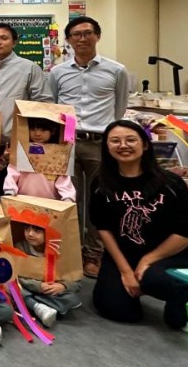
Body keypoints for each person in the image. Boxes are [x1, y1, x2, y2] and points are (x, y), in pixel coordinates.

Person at [90, 120, 188, 330]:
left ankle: (181, 298)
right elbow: (102, 227)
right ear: (106, 147)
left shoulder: (170, 183)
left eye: (131, 140)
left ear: (145, 144)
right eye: (115, 141)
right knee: (118, 310)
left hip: (168, 256)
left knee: (156, 282)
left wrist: (148, 260)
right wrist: (125, 270)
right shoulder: (101, 183)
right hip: (123, 255)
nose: (123, 145)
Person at [49, 16, 129, 279]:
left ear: (97, 36)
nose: (82, 38)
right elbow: (53, 106)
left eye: (87, 33)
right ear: (68, 40)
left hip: (99, 143)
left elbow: (119, 109)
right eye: (76, 34)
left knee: (99, 199)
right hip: (67, 143)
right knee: (66, 198)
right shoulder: (58, 72)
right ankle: (70, 253)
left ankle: (94, 253)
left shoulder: (116, 70)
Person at [14, 223, 82, 328]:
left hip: (50, 289)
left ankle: (34, 303)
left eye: (37, 231)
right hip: (28, 287)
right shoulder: (20, 247)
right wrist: (38, 286)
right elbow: (17, 276)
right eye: (27, 229)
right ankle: (37, 307)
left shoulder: (61, 249)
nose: (30, 234)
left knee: (72, 298)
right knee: (15, 288)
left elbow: (76, 280)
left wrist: (63, 286)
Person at [3, 119, 76, 201]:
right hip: (23, 199)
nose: (37, 134)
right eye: (33, 129)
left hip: (50, 202)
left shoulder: (60, 153)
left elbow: (63, 179)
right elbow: (12, 171)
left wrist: (67, 196)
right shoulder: (21, 150)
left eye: (43, 130)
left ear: (53, 131)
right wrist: (10, 189)